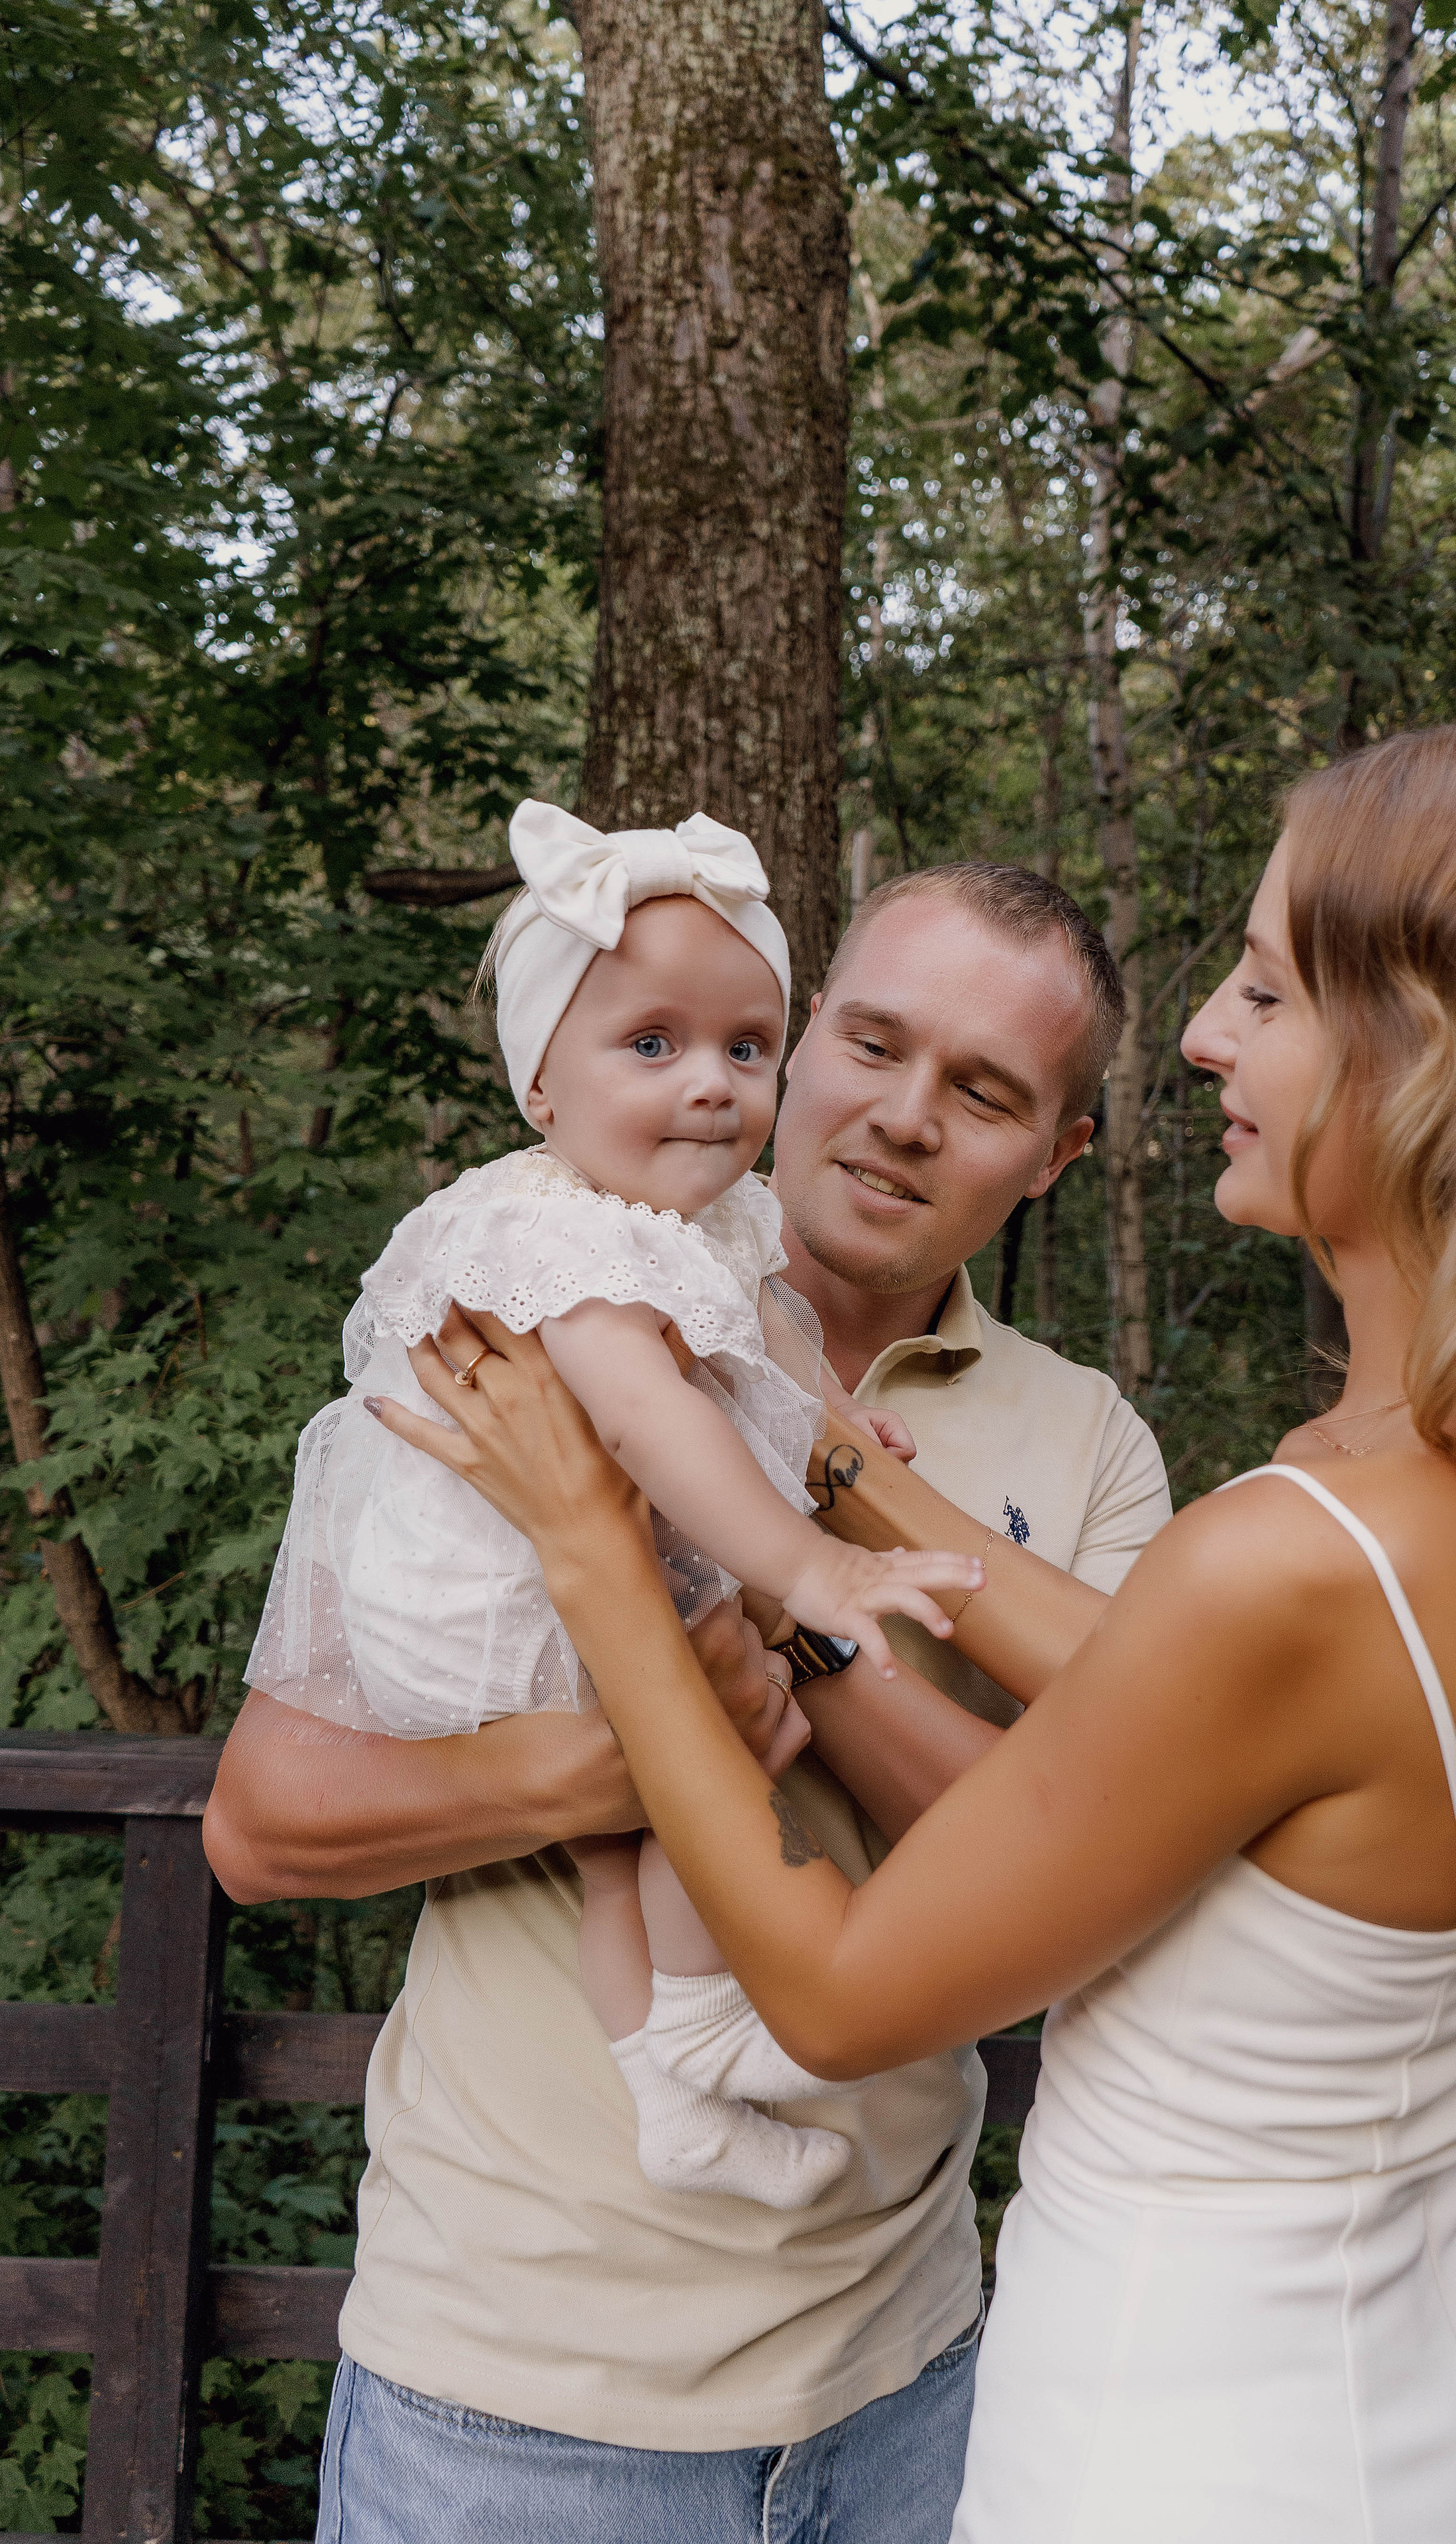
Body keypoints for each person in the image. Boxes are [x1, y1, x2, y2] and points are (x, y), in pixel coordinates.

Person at [382, 710, 1456, 2543]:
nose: (1215, 1041)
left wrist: (607, 1548)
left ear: (1437, 1060)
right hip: (1417, 2432)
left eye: (1264, 991)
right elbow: (1159, 1689)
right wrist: (809, 1462)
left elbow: (838, 1992)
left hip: (1186, 2465)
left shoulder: (1295, 1556)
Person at [203, 860, 1170, 2541]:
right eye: (870, 1045)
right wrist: (629, 1744)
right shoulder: (520, 1316)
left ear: (1057, 1153)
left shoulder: (1090, 1446)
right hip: (506, 2390)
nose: (902, 1118)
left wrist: (761, 1598)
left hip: (905, 2382)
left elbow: (1065, 1873)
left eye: (987, 1092)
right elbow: (261, 1828)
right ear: (806, 1056)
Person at [246, 800, 979, 2213]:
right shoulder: (552, 1237)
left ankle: (665, 2088)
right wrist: (813, 1575)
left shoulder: (698, 1227)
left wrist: (841, 1434)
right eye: (651, 1045)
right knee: (710, 1721)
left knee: (633, 1820)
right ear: (540, 1087)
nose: (710, 1083)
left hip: (545, 1568)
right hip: (478, 1600)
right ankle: (703, 2012)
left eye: (745, 1048)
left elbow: (759, 1350)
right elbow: (653, 1423)